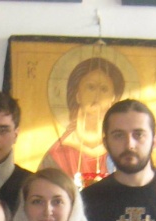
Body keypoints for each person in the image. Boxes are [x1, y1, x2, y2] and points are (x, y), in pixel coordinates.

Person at [41, 58, 125, 188]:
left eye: (104, 89)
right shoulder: (58, 154)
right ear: (77, 95)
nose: (97, 95)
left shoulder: (120, 150)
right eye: (91, 87)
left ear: (113, 99)